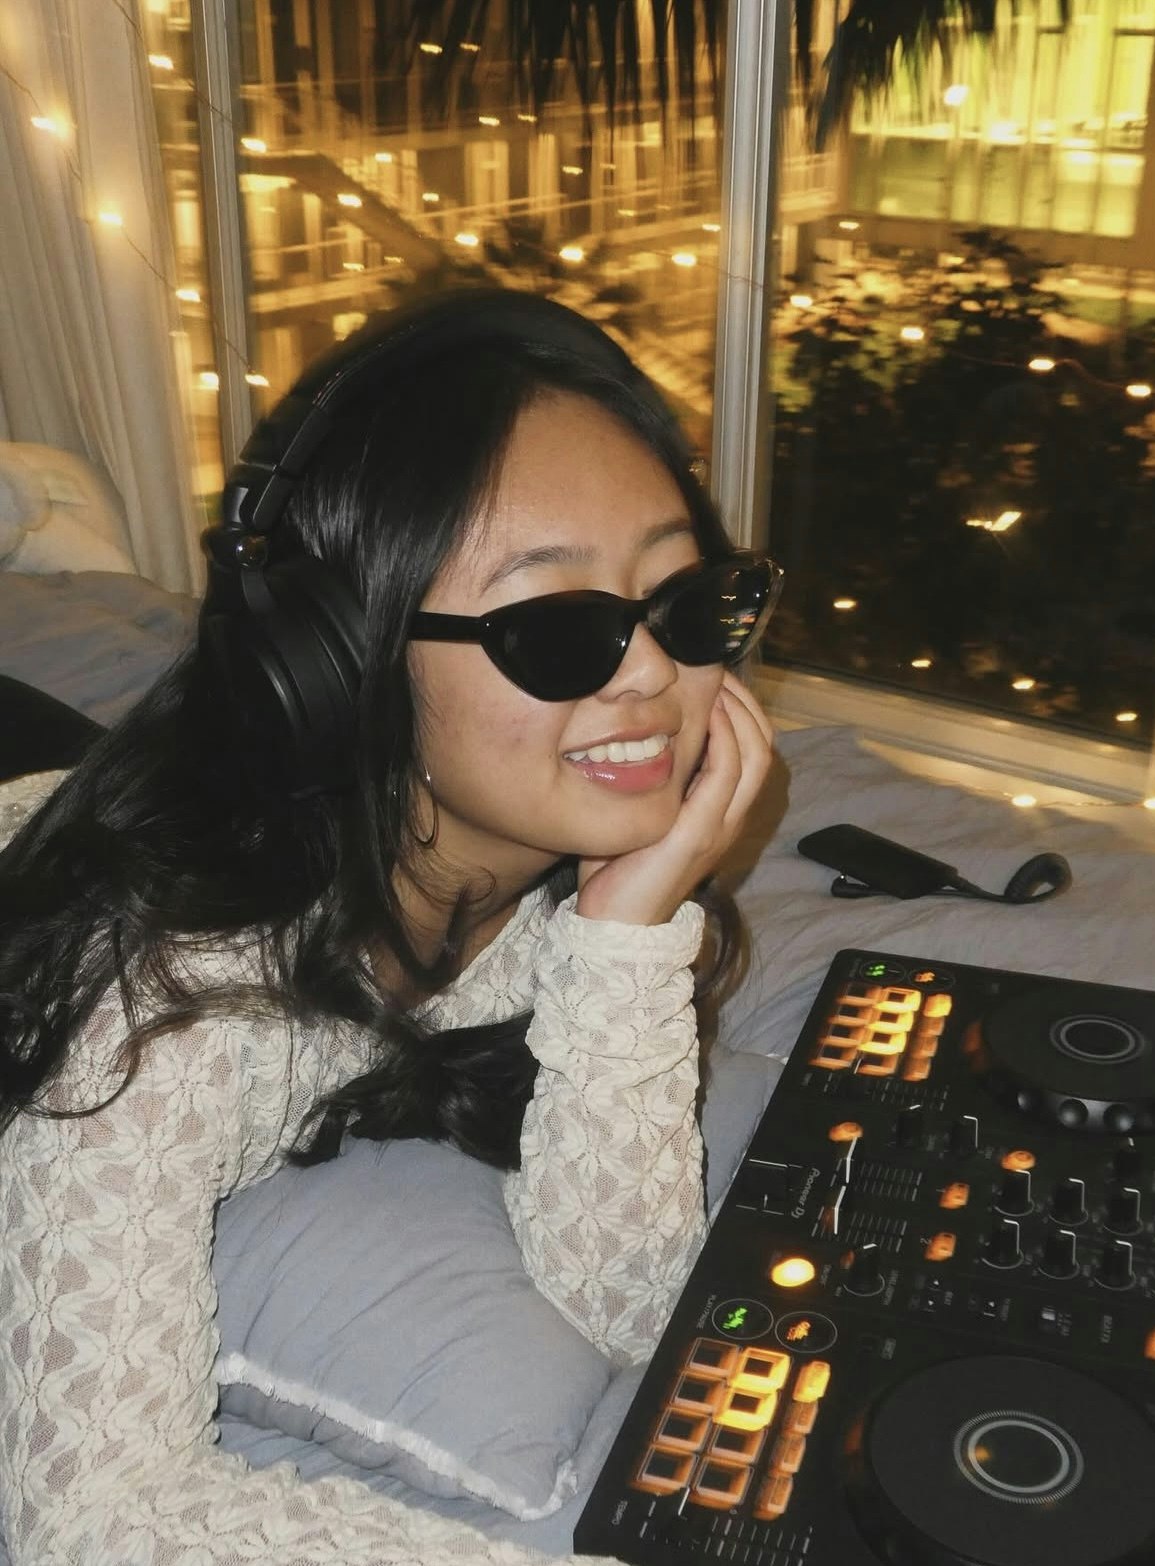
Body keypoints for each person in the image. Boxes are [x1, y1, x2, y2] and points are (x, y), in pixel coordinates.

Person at [0, 289, 780, 1564]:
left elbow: (634, 1304)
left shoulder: (548, 890)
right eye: (559, 627)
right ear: (338, 662)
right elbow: (95, 1519)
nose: (654, 676)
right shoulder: (161, 1003)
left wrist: (628, 932)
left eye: (686, 604)